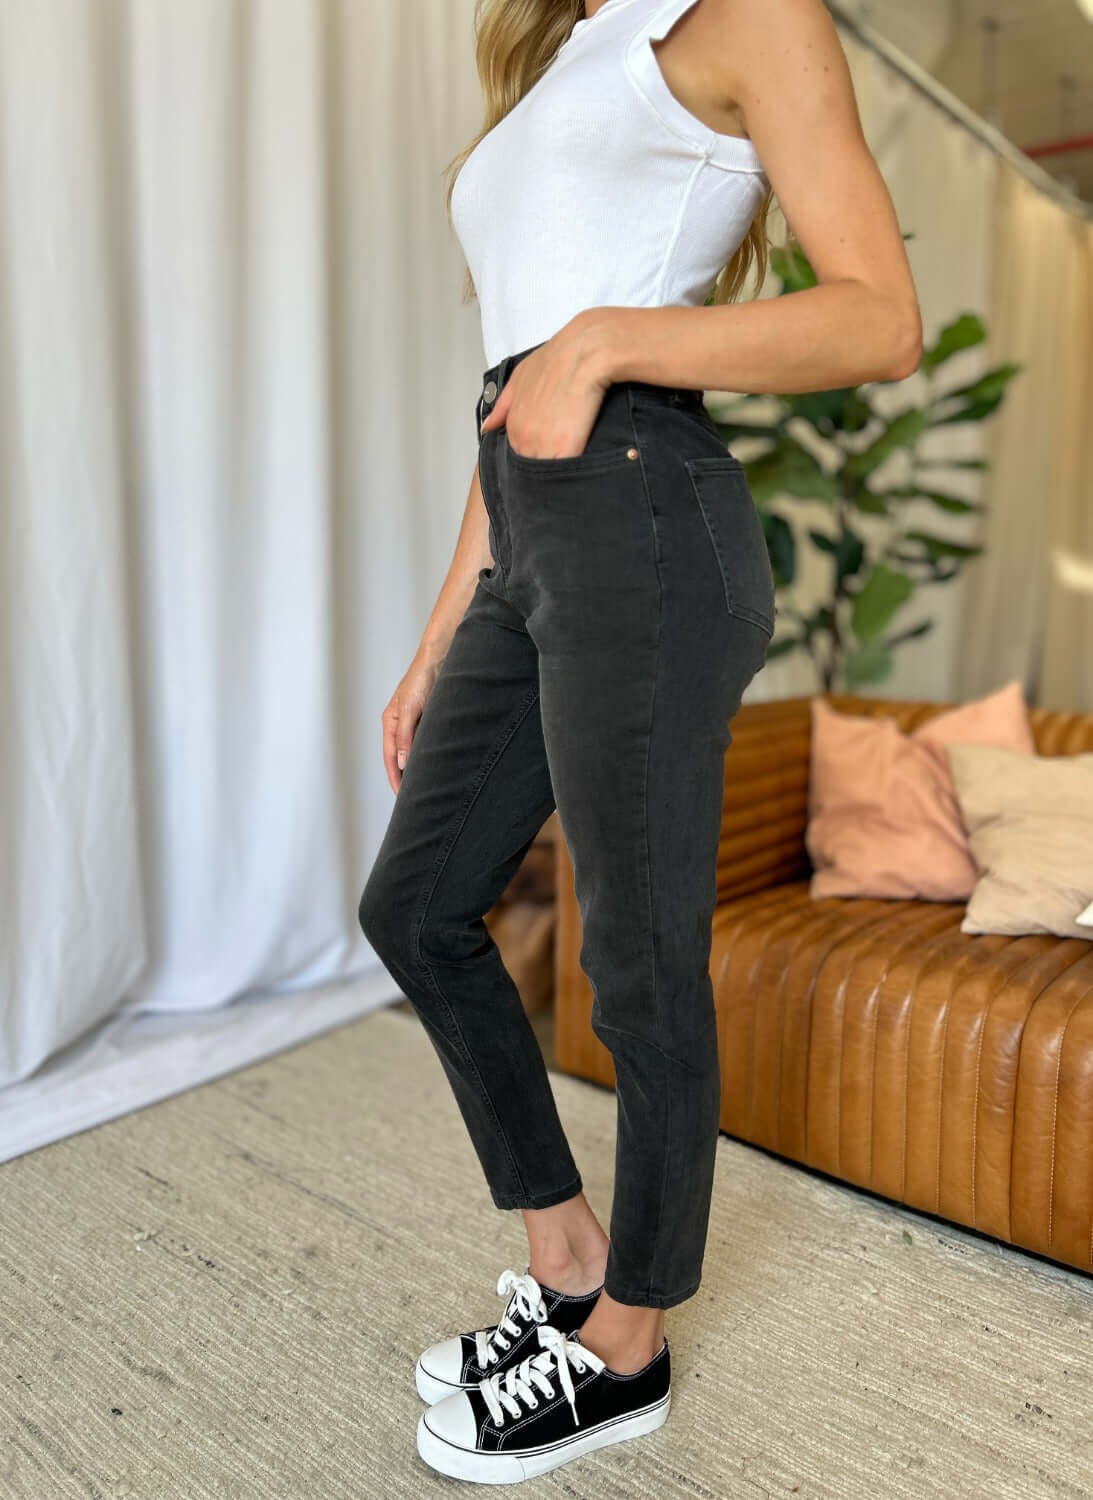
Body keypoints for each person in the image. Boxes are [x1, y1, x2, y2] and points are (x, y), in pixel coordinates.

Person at [358, 0, 921, 1483]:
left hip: (646, 513)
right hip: (534, 520)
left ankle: (627, 1348)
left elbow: (878, 315)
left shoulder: (747, 15)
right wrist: (439, 637)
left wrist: (604, 337)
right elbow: (513, 400)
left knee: (636, 957)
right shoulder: (563, 45)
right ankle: (566, 1268)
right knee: (413, 907)